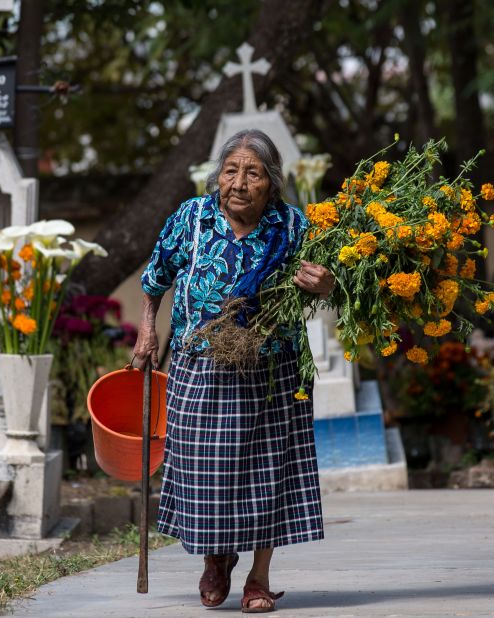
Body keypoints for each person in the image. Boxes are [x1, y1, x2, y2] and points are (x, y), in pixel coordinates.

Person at [133, 129, 335, 613]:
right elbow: (154, 277)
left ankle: (259, 579)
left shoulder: (293, 227)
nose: (239, 182)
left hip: (272, 368)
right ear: (216, 177)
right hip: (200, 363)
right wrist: (147, 330)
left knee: (270, 472)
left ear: (272, 183)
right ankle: (216, 557)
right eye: (231, 170)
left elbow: (328, 286)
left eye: (253, 173)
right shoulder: (193, 218)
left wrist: (324, 283)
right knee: (204, 468)